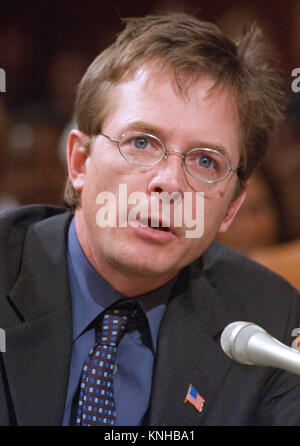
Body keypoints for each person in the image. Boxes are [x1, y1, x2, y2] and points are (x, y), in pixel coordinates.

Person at [0, 13, 299, 427]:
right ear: (79, 162)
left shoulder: (268, 318)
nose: (170, 182)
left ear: (230, 206)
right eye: (141, 142)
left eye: (205, 161)